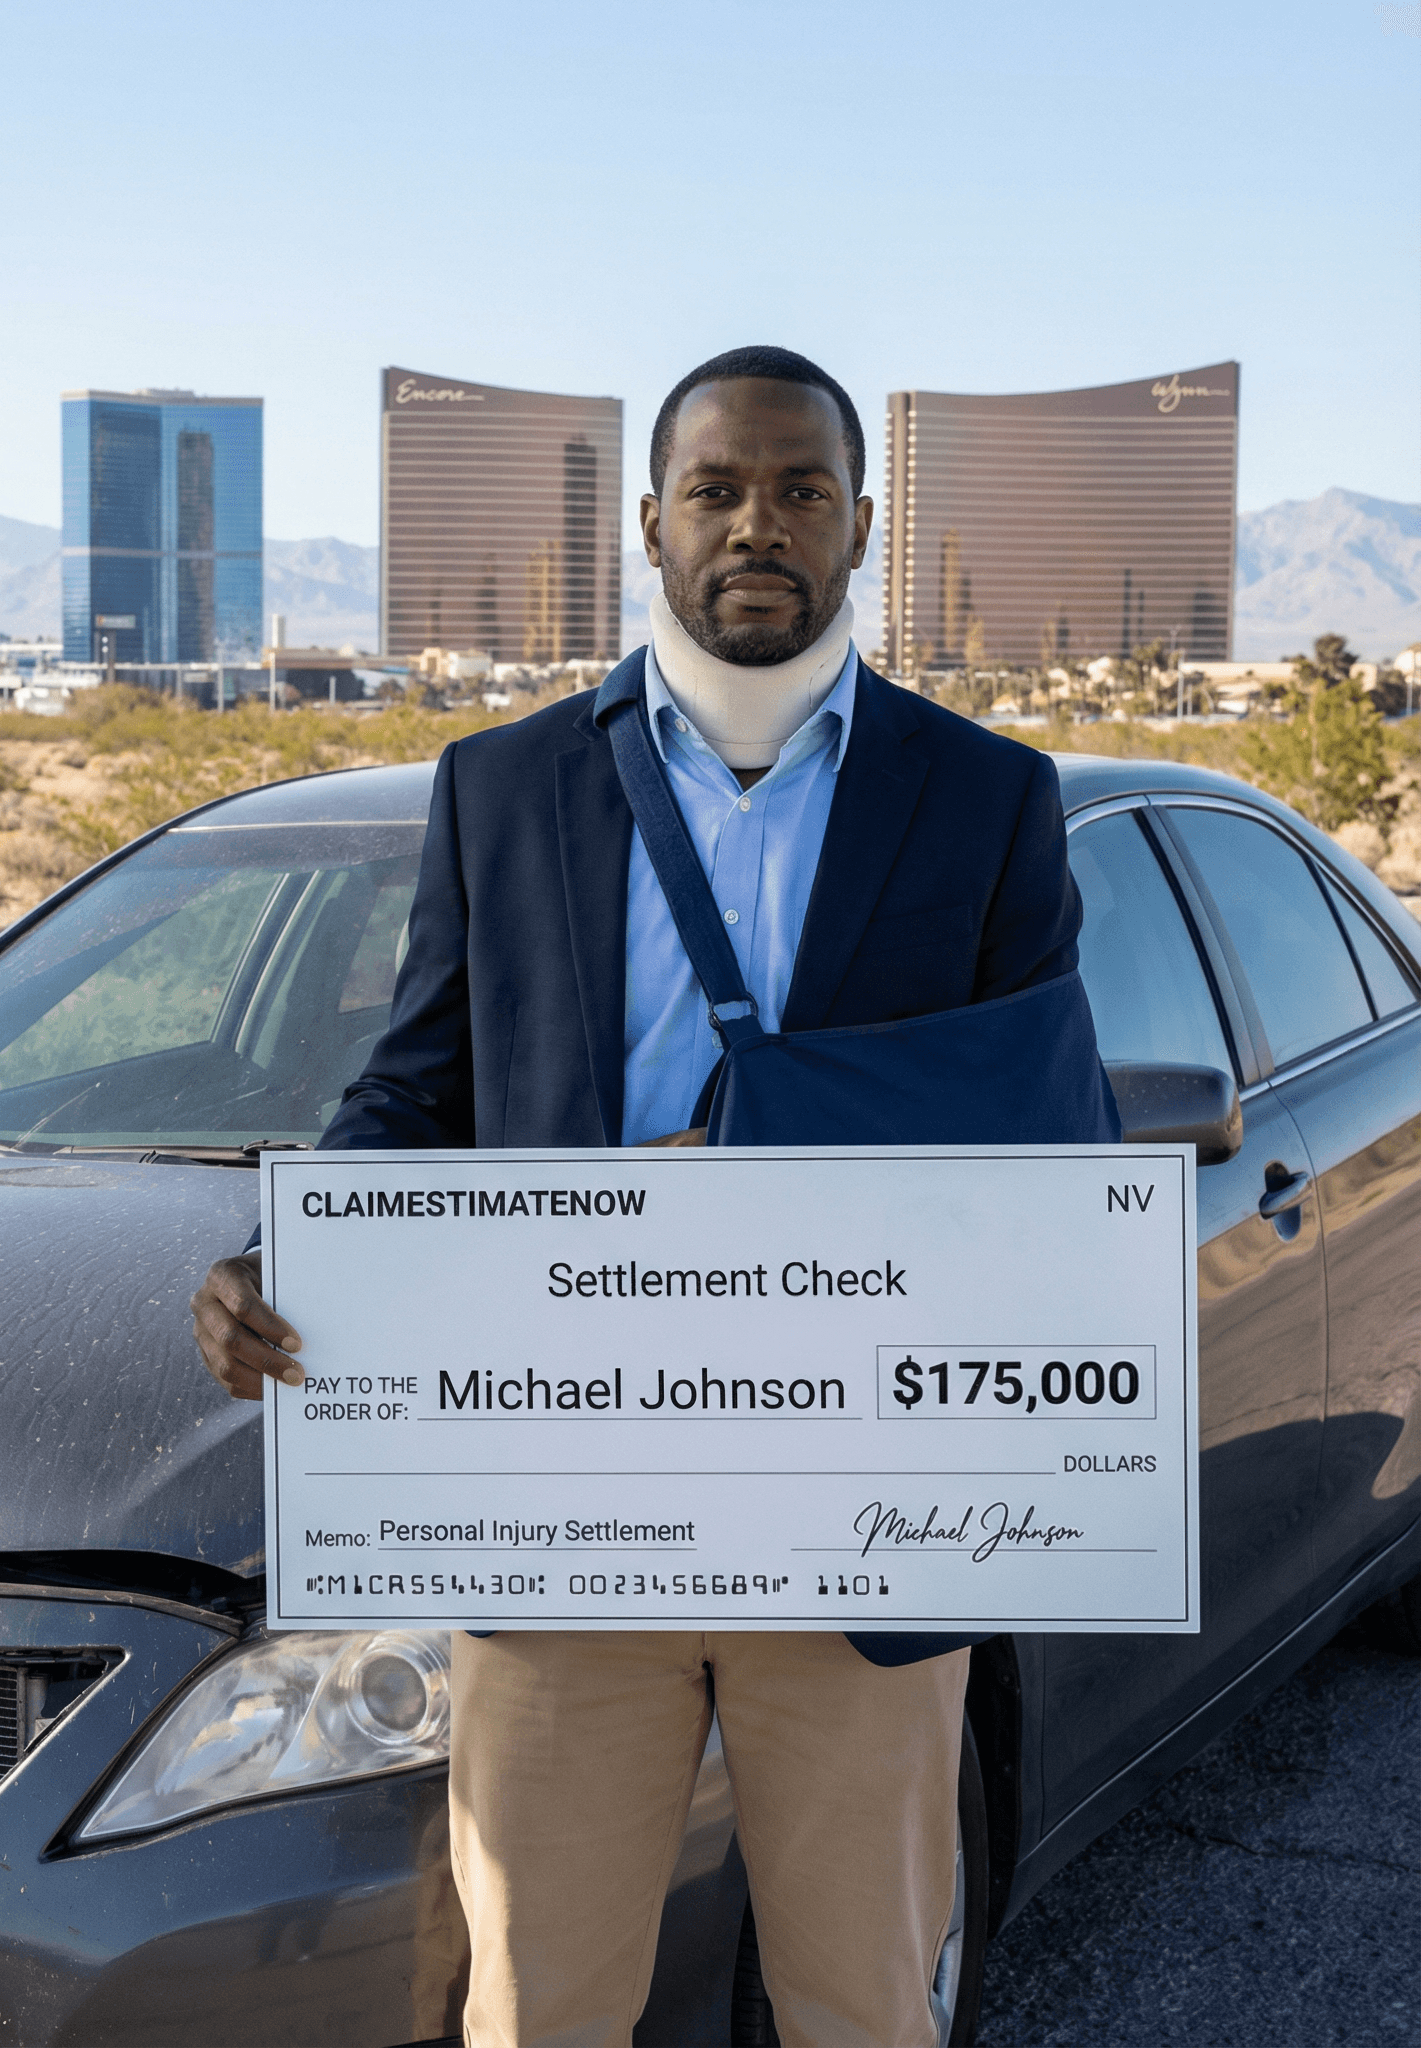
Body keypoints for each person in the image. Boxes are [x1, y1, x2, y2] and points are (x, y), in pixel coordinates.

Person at [191, 345, 1087, 2048]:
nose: (761, 523)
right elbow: (419, 1088)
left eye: (802, 491)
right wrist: (287, 1246)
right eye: (720, 489)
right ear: (651, 527)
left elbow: (1040, 1139)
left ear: (862, 525)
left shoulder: (982, 802)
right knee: (539, 2012)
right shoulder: (508, 787)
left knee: (865, 2008)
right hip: (562, 1514)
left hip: (861, 1525)